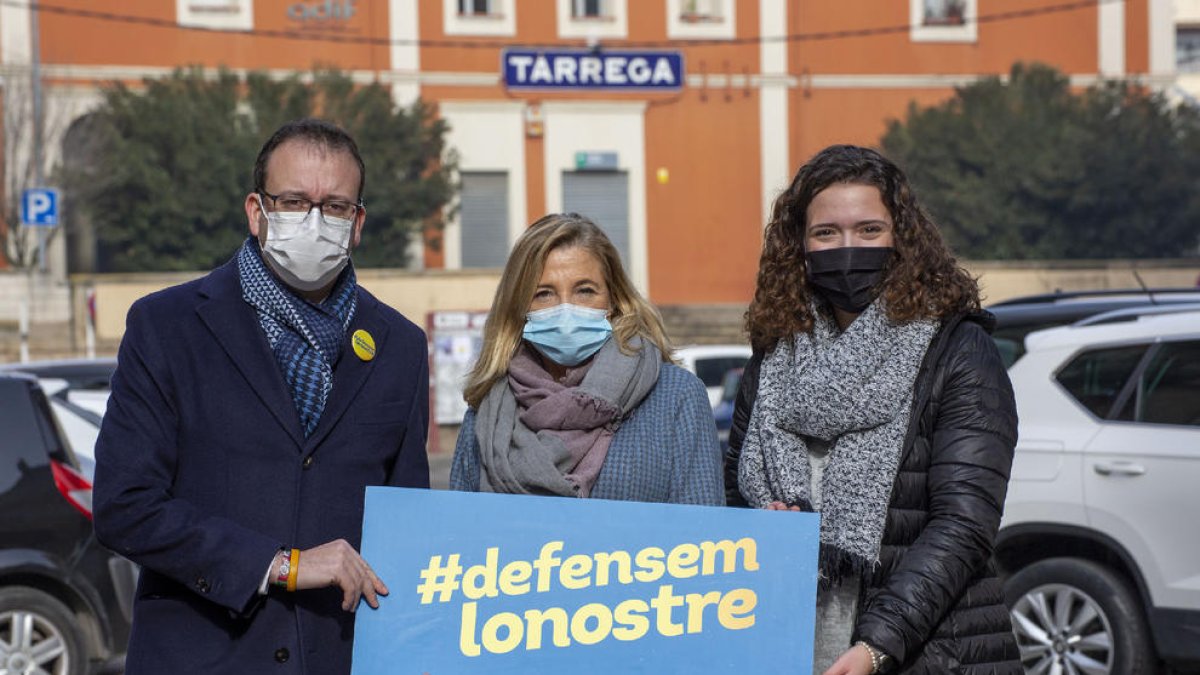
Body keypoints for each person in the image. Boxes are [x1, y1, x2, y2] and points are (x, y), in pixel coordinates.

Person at [93, 118, 430, 674]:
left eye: (335, 206)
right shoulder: (168, 326)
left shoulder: (400, 345)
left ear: (357, 223)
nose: (315, 220)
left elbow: (409, 525)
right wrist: (279, 565)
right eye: (293, 201)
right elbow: (124, 507)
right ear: (257, 211)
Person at [726, 145, 1021, 674]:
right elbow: (733, 493)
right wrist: (761, 526)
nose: (848, 248)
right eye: (826, 233)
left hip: (922, 652)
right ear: (799, 246)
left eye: (868, 230)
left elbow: (965, 523)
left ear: (901, 238)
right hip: (786, 643)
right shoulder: (773, 356)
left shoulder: (958, 350)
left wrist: (877, 645)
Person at [450, 213, 723, 505]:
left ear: (614, 300)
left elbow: (702, 526)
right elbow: (458, 526)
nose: (566, 309)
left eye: (585, 291)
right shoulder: (488, 412)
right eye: (544, 294)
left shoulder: (676, 398)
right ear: (519, 307)